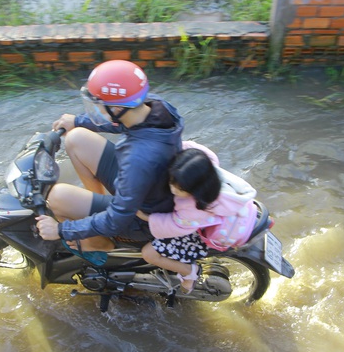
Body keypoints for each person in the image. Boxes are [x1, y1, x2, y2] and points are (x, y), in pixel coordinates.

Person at [36, 60, 184, 254]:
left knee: (56, 197)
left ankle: (99, 243)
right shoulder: (156, 107)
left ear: (116, 109)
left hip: (142, 221)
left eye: (99, 104)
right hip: (149, 187)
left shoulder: (138, 156)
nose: (96, 109)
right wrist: (78, 121)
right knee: (76, 138)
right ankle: (96, 206)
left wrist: (62, 230)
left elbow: (118, 219)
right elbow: (119, 122)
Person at [137, 142, 258, 293]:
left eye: (180, 189)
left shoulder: (195, 207)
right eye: (172, 183)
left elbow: (176, 225)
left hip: (197, 232)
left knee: (149, 254)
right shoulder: (205, 166)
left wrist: (147, 218)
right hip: (234, 216)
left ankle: (189, 272)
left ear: (196, 190)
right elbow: (191, 149)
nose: (173, 189)